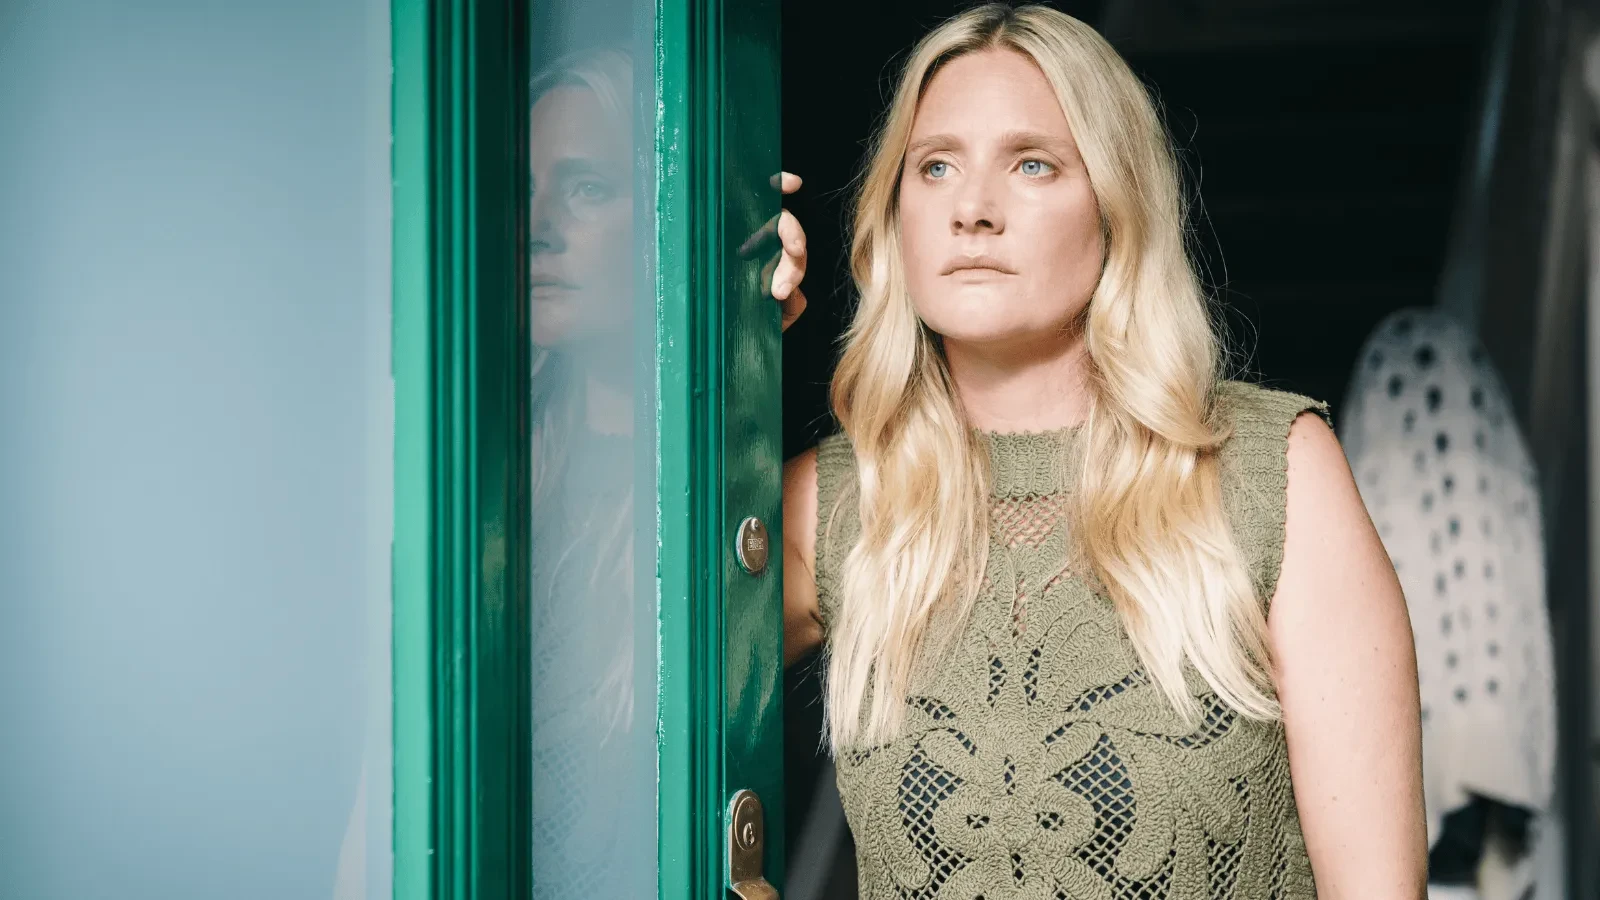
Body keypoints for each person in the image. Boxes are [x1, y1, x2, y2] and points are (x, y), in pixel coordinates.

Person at [773, 4, 1428, 898]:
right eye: (935, 167)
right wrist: (713, 341)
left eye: (1032, 164)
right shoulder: (846, 504)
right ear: (896, 215)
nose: (973, 209)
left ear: (1115, 208)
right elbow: (588, 691)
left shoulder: (1270, 473)